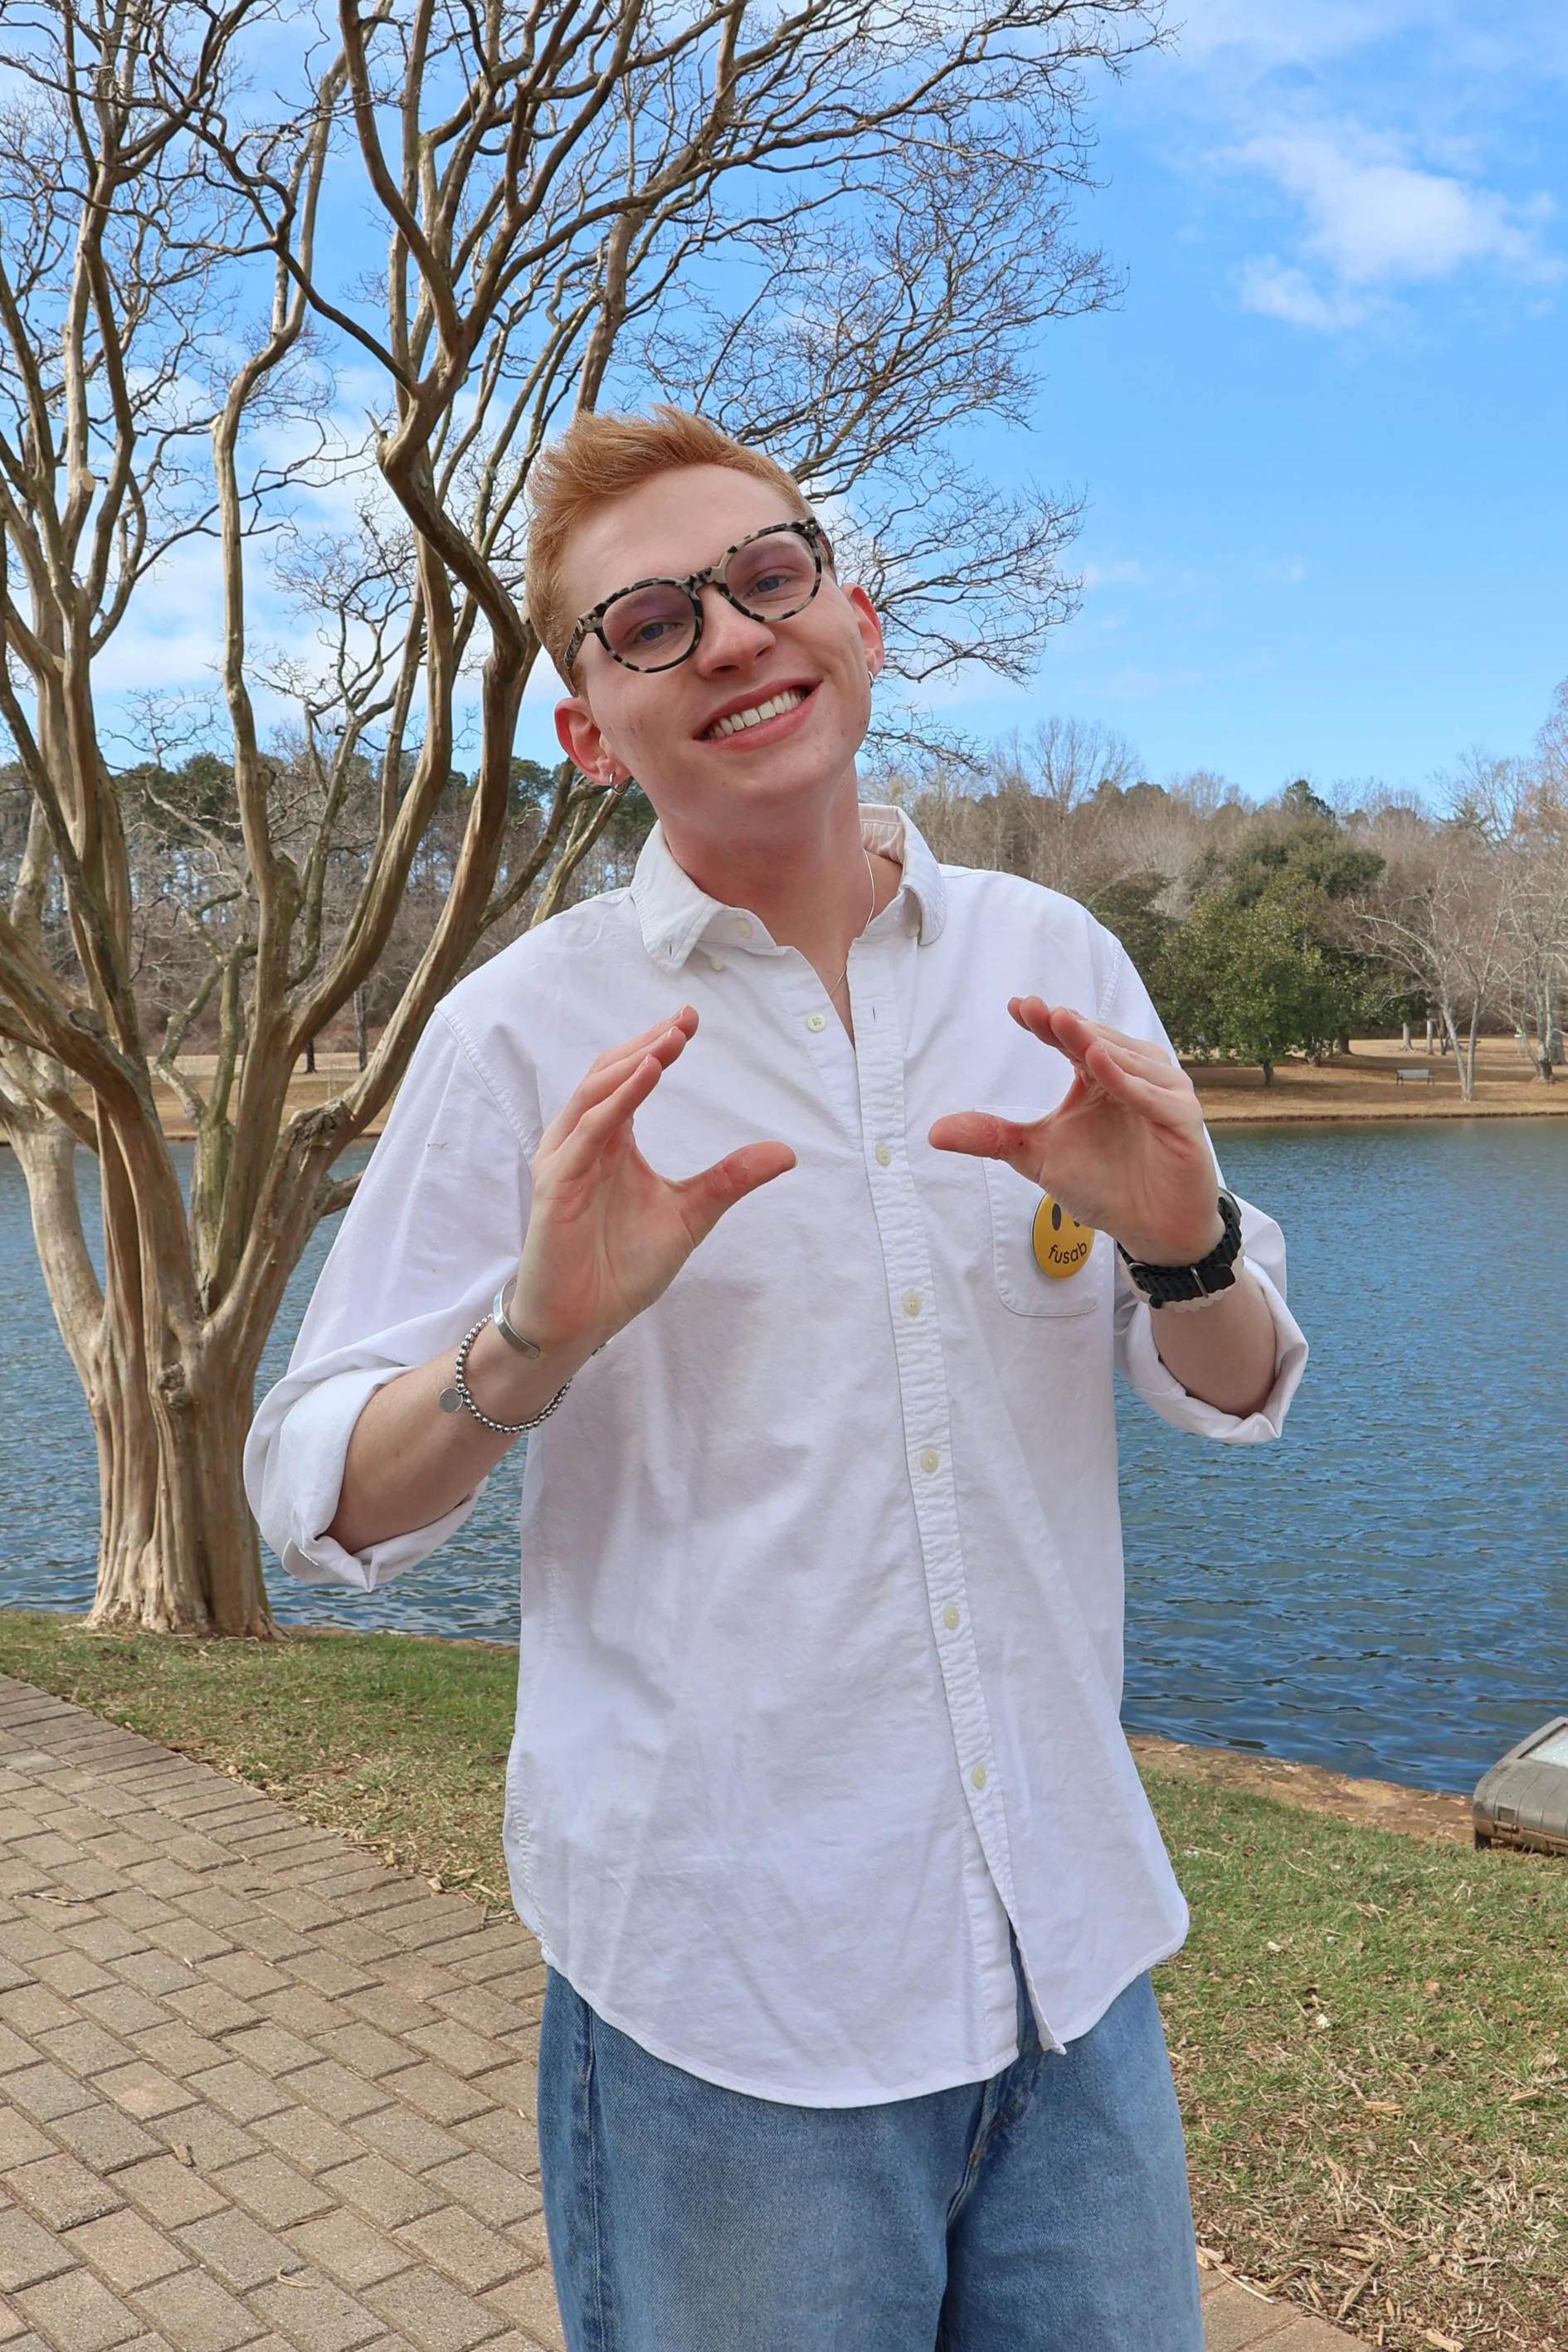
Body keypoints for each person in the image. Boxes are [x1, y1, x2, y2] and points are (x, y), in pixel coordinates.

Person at [246, 406, 1307, 2352]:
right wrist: (531, 1345)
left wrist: (1188, 1240)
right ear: (588, 728)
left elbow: (1238, 1381)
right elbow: (317, 1487)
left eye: (764, 576)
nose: (730, 635)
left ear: (855, 614)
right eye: (648, 622)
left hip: (1072, 1962)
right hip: (729, 2010)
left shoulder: (1048, 957)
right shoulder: (525, 1034)